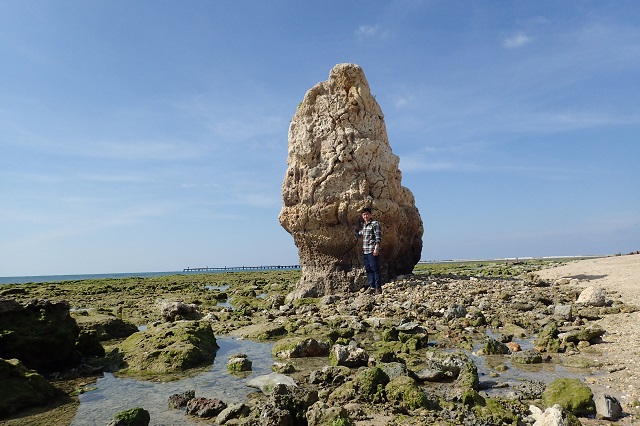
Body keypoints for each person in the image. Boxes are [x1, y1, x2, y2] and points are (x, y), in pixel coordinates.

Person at [356, 207, 382, 294]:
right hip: (365, 251)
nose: (365, 216)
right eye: (364, 214)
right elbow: (361, 233)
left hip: (372, 250)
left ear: (370, 215)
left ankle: (378, 288)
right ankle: (371, 287)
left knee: (375, 268)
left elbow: (378, 237)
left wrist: (376, 248)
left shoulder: (375, 224)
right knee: (368, 269)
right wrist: (355, 232)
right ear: (362, 216)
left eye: (367, 214)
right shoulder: (364, 225)